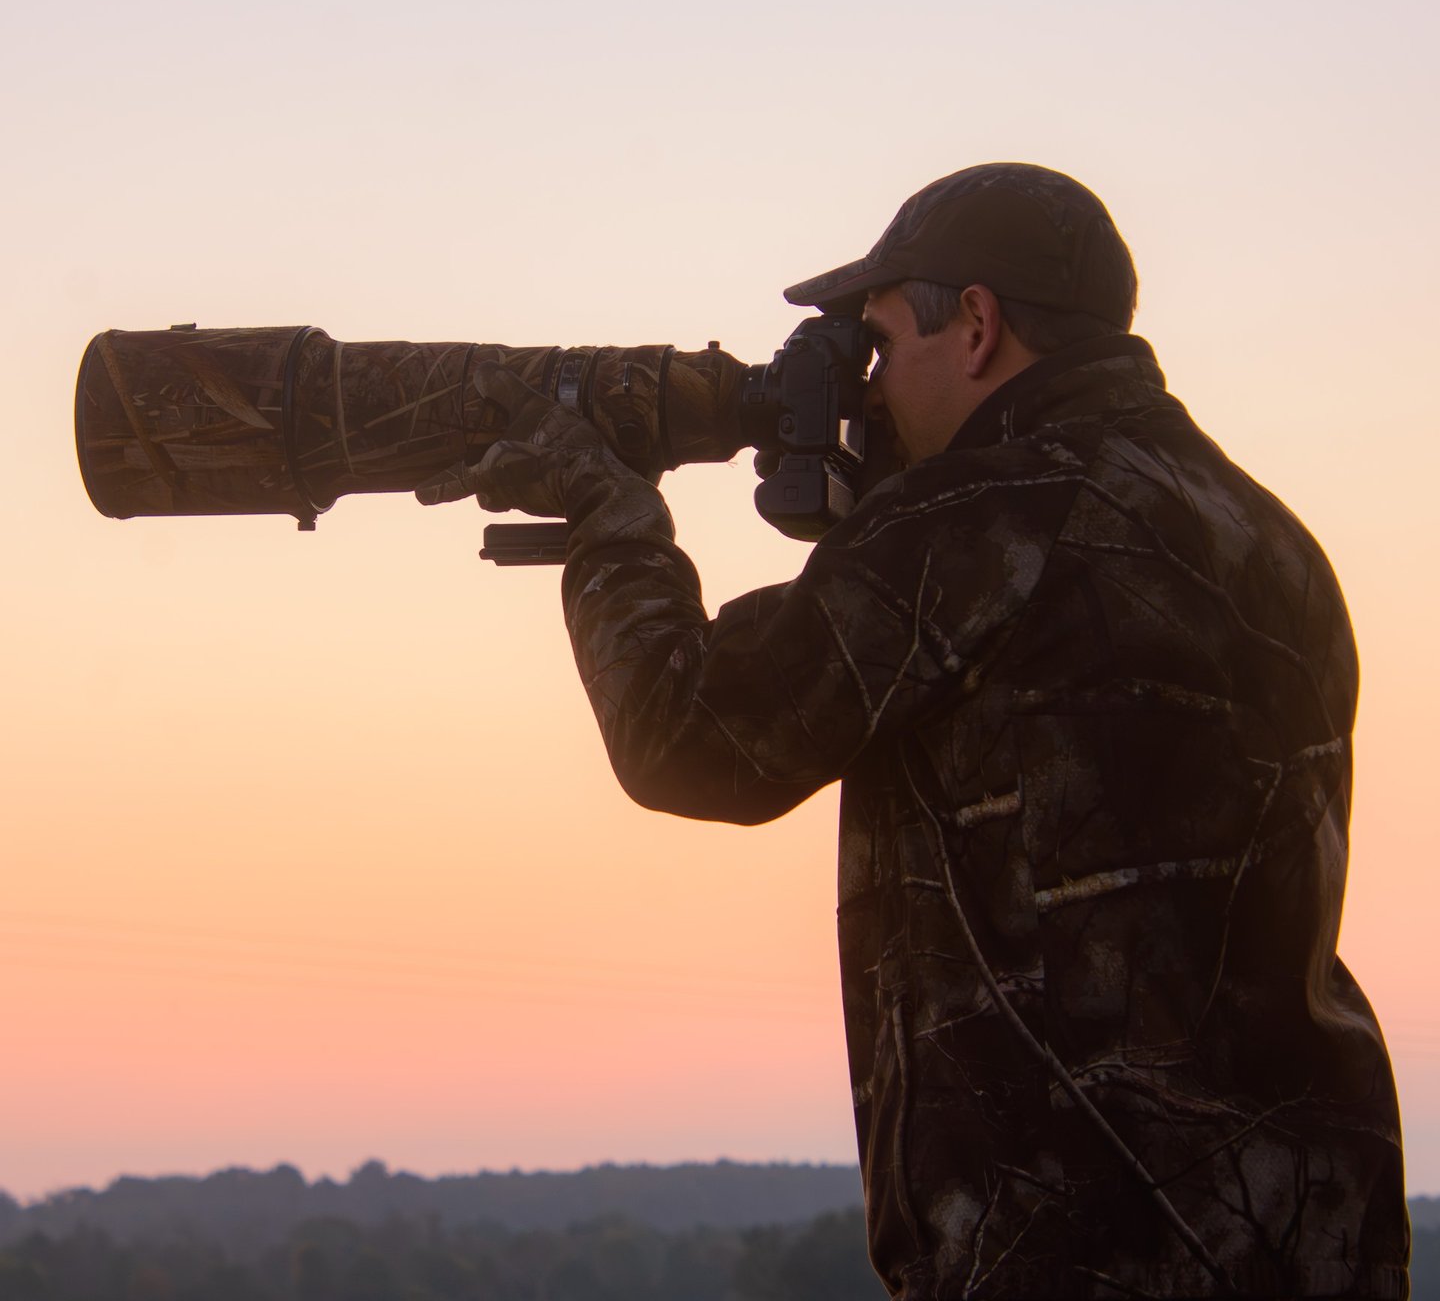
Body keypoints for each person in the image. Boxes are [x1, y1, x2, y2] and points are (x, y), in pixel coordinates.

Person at [422, 164, 1409, 1298]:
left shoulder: (991, 514)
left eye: (881, 345)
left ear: (977, 324)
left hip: (1075, 1252)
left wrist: (609, 516)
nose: (873, 390)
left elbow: (686, 736)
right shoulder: (1267, 538)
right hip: (1309, 1231)